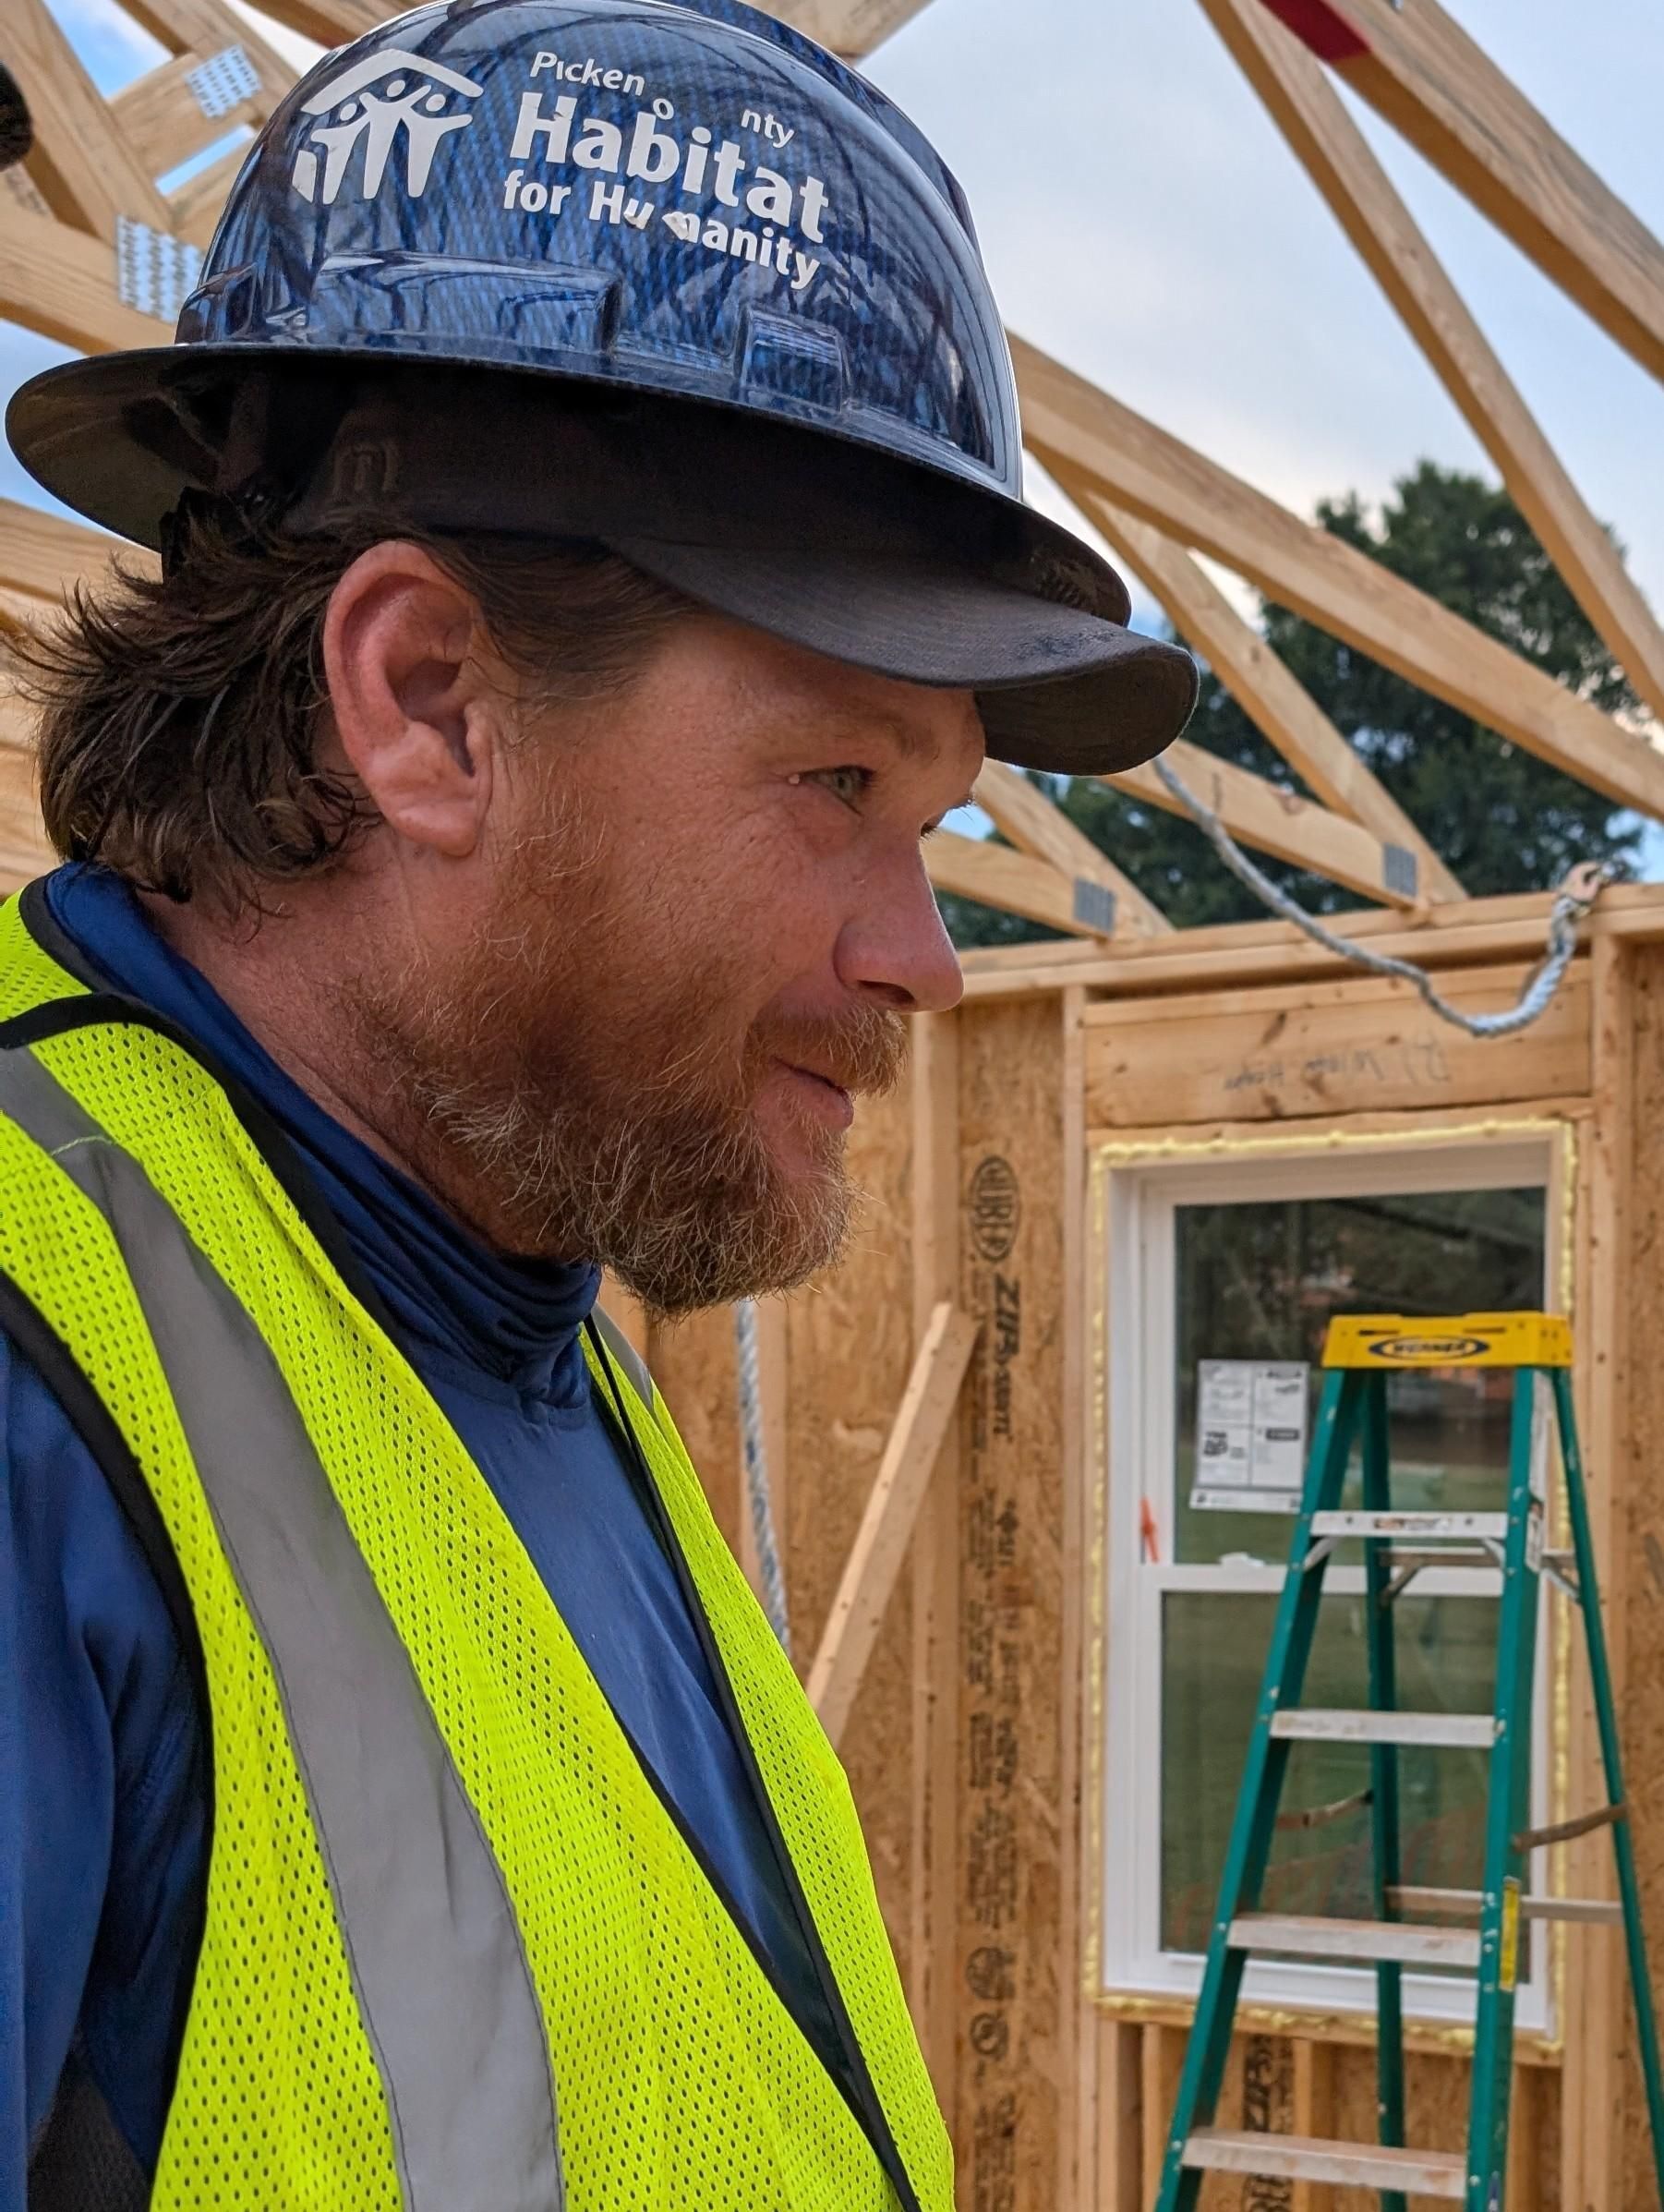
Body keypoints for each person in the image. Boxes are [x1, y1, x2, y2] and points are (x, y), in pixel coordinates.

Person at [0, 1, 1196, 2206]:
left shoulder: (496, 1307)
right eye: (838, 782)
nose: (923, 955)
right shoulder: (43, 1366)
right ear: (430, 705)